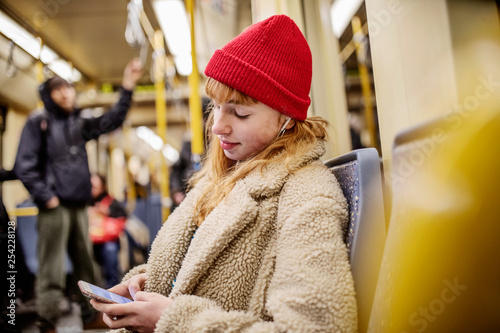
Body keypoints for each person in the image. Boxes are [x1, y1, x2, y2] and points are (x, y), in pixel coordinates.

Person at [91, 15, 358, 332]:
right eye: (216, 106)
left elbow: (317, 327)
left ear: (286, 117)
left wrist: (175, 320)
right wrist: (149, 285)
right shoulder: (221, 178)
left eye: (240, 112)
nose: (217, 126)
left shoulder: (308, 194)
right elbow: (203, 268)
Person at [14, 58, 142, 331]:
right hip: (54, 205)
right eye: (58, 89)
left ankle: (89, 314)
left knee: (85, 262)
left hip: (78, 204)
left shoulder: (78, 123)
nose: (66, 93)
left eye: (68, 87)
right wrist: (46, 196)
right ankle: (47, 317)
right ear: (48, 95)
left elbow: (113, 119)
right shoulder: (39, 122)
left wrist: (128, 85)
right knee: (52, 265)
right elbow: (24, 165)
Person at [89, 174, 128, 289]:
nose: (92, 189)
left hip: (107, 240)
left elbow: (124, 215)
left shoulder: (111, 202)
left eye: (95, 186)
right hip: (90, 240)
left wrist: (108, 211)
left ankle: (113, 286)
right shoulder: (84, 202)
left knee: (109, 249)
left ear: (103, 186)